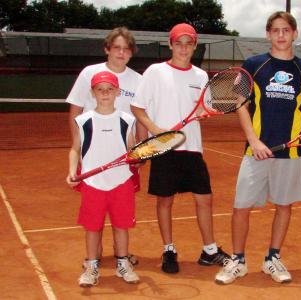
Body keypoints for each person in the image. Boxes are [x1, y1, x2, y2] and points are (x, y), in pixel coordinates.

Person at [215, 11, 301, 285]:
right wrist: (253, 139)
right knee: (241, 206)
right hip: (257, 150)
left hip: (292, 151)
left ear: (295, 34)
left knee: (284, 205)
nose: (281, 35)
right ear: (268, 34)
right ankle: (237, 260)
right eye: (275, 30)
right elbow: (240, 104)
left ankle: (272, 258)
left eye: (286, 30)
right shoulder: (254, 65)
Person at [131, 23, 229, 274]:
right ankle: (169, 249)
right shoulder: (155, 72)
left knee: (204, 199)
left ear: (195, 46)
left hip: (193, 148)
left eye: (189, 43)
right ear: (171, 44)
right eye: (179, 43)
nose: (184, 48)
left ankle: (209, 251)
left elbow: (201, 109)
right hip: (164, 147)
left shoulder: (200, 76)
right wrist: (157, 130)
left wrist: (205, 113)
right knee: (165, 201)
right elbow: (137, 107)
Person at [66, 27, 145, 266]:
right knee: (96, 209)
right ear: (107, 49)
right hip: (94, 152)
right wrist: (78, 149)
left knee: (120, 208)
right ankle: (94, 256)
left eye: (126, 49)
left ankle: (121, 255)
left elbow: (139, 115)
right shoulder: (90, 72)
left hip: (123, 156)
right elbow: (75, 110)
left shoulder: (138, 80)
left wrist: (140, 150)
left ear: (131, 53)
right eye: (117, 48)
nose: (121, 53)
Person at [66, 71, 140, 287]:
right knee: (92, 228)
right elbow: (74, 149)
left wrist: (135, 159)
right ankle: (91, 267)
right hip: (93, 185)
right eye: (100, 89)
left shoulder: (127, 120)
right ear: (92, 93)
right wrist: (72, 170)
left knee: (121, 226)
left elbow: (131, 150)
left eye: (110, 89)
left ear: (118, 92)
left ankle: (123, 264)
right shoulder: (83, 121)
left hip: (121, 183)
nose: (105, 93)